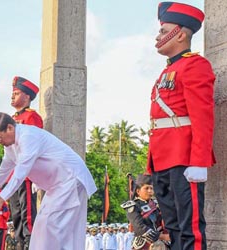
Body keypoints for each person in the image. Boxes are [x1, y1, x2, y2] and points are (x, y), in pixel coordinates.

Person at [148, 2, 215, 249]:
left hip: (183, 157)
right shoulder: (167, 72)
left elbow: (202, 117)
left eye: (164, 31)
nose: (158, 36)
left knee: (190, 229)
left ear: (181, 34)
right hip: (162, 158)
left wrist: (199, 161)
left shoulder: (195, 66)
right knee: (172, 227)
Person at [0, 112, 97, 250]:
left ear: (10, 128)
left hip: (70, 179)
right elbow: (1, 173)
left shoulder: (28, 136)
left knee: (54, 226)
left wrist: (0, 200)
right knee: (42, 227)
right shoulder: (10, 148)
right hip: (56, 187)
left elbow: (20, 173)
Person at [9, 76, 43, 250]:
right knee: (16, 214)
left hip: (26, 173)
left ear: (27, 96)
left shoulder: (32, 117)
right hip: (13, 174)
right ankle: (20, 244)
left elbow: (34, 145)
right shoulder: (11, 119)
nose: (12, 96)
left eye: (17, 93)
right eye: (13, 93)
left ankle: (30, 244)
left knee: (27, 214)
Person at [121, 174, 170, 250]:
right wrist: (162, 236)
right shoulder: (133, 206)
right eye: (146, 188)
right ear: (138, 191)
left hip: (161, 244)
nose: (150, 191)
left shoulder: (157, 204)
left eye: (151, 188)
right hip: (144, 245)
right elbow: (139, 228)